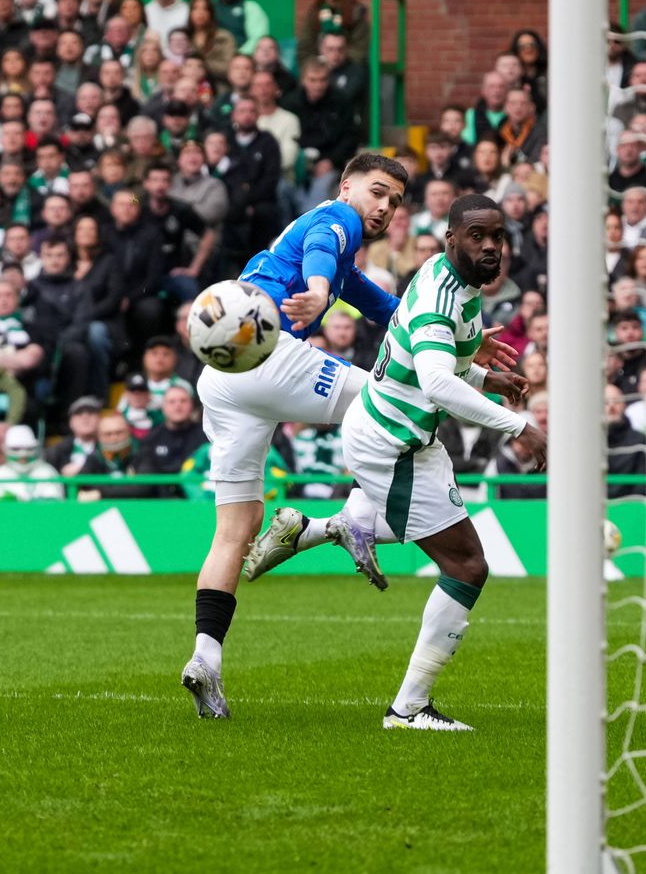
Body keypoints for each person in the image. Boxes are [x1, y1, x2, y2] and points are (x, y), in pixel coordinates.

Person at [179, 156, 517, 720]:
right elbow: (323, 250)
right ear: (346, 187)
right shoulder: (337, 220)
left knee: (237, 528)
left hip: (222, 376)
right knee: (389, 402)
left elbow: (381, 304)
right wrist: (317, 292)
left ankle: (204, 658)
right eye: (377, 192)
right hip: (266, 354)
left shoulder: (339, 253)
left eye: (395, 201)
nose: (384, 207)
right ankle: (350, 520)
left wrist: (463, 337)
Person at [242, 195, 548, 732]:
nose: (490, 246)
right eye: (477, 236)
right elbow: (436, 381)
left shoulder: (449, 277)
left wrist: (484, 377)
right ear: (451, 239)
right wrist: (518, 425)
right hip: (391, 443)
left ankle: (316, 529)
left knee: (447, 542)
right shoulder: (439, 297)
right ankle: (408, 709)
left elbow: (427, 356)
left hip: (403, 434)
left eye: (497, 236)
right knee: (467, 566)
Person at [0, 425, 64, 500]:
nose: (23, 454)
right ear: (5, 449)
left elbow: (55, 500)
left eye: (28, 448)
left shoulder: (47, 472)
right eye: (16, 448)